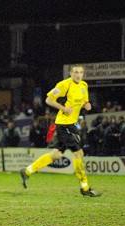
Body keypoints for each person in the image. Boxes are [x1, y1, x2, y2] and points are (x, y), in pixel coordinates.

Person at [19, 65, 101, 197]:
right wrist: (63, 108)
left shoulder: (84, 85)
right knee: (79, 153)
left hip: (71, 124)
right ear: (70, 73)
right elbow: (48, 100)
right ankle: (85, 187)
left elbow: (85, 101)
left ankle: (27, 170)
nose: (78, 74)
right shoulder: (64, 85)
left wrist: (87, 105)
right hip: (64, 125)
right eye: (75, 72)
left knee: (56, 155)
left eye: (80, 72)